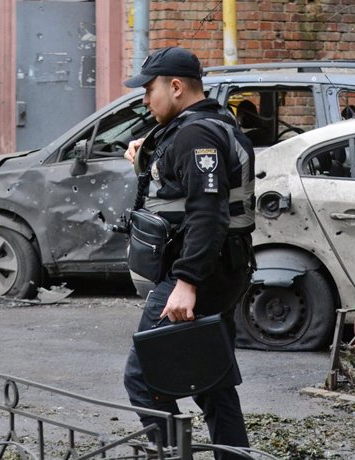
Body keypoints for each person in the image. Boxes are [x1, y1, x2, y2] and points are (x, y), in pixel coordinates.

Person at [122, 46, 256, 458]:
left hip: (203, 273)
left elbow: (208, 212)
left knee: (144, 376)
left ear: (176, 86)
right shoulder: (210, 123)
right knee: (210, 378)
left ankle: (171, 453)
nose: (145, 100)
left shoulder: (197, 134)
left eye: (149, 90)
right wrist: (146, 155)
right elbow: (185, 189)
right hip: (224, 267)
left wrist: (186, 283)